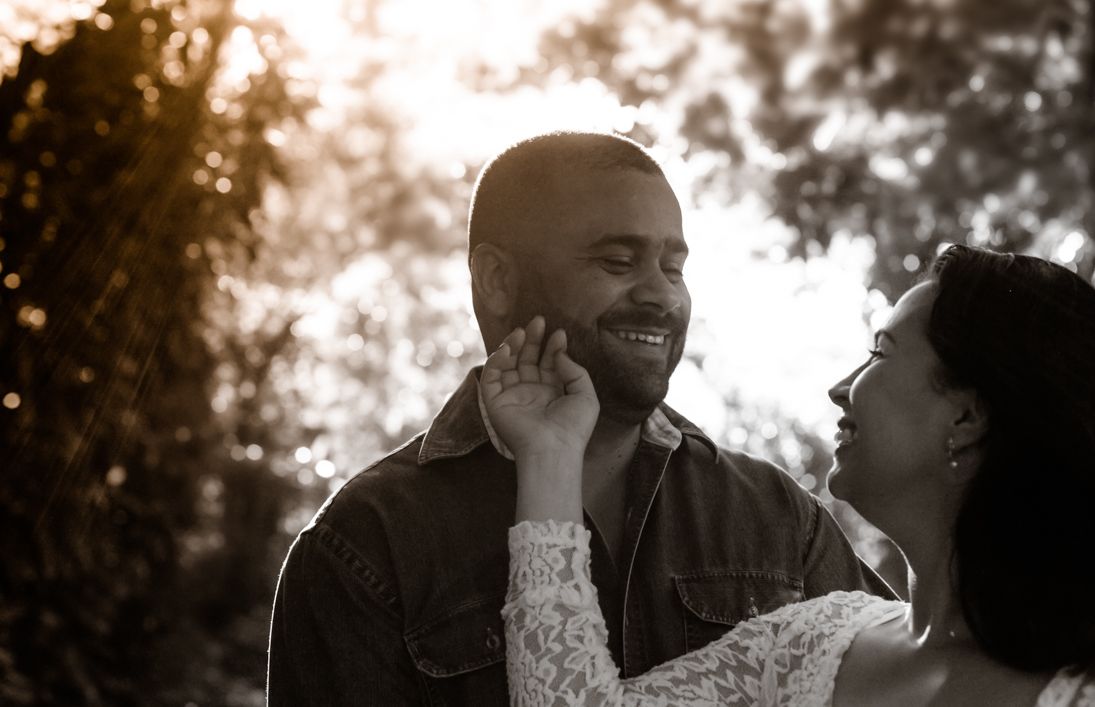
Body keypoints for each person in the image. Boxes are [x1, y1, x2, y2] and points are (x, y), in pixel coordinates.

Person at [265, 131, 893, 706]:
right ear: (496, 280)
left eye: (673, 267)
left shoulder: (776, 516)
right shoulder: (364, 547)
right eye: (617, 263)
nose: (662, 295)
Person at [485, 245, 1095, 706]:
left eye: (880, 354)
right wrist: (551, 456)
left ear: (968, 417)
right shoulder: (804, 651)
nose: (841, 386)